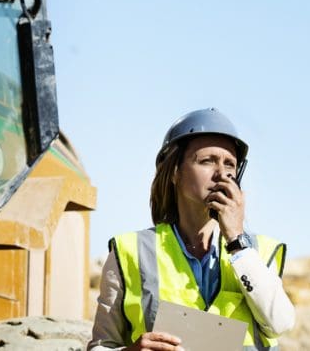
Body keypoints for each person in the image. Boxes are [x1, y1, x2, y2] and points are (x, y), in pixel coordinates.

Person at [88, 108, 295, 351]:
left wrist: (237, 241)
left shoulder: (258, 251)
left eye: (230, 164)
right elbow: (101, 346)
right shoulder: (131, 252)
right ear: (175, 172)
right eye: (207, 161)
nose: (222, 174)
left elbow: (281, 323)